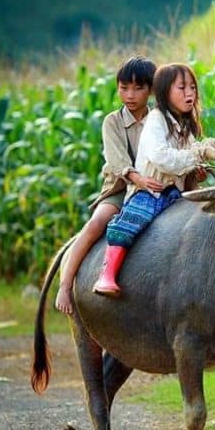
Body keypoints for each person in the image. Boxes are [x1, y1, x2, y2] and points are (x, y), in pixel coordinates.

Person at [92, 63, 215, 297]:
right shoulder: (155, 120)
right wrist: (198, 155)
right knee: (129, 223)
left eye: (192, 88)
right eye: (182, 88)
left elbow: (191, 152)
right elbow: (161, 156)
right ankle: (107, 274)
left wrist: (198, 165)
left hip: (173, 192)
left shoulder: (184, 125)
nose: (189, 94)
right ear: (163, 92)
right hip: (148, 191)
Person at [55, 55, 160, 314]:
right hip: (121, 189)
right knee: (97, 223)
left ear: (151, 90)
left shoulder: (159, 120)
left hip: (156, 187)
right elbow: (117, 161)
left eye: (138, 88)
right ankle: (66, 284)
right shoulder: (112, 122)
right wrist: (138, 180)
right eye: (124, 88)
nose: (130, 95)